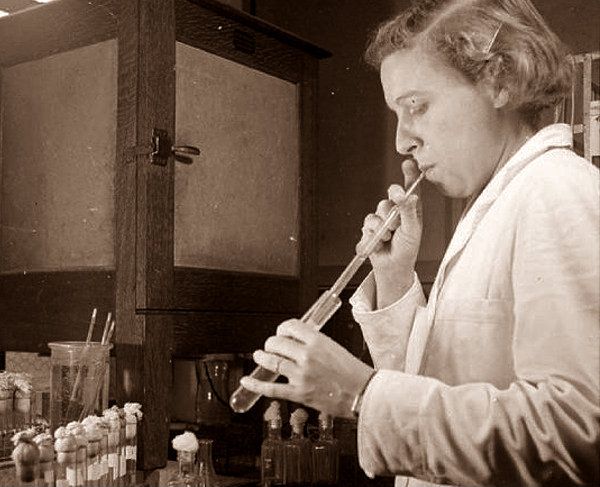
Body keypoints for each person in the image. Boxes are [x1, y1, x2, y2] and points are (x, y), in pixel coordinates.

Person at [239, 0, 600, 485]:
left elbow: (577, 435)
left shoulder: (557, 190)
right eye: (396, 113)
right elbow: (444, 380)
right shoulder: (502, 200)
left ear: (500, 81)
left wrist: (361, 395)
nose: (402, 141)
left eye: (417, 106)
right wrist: (394, 277)